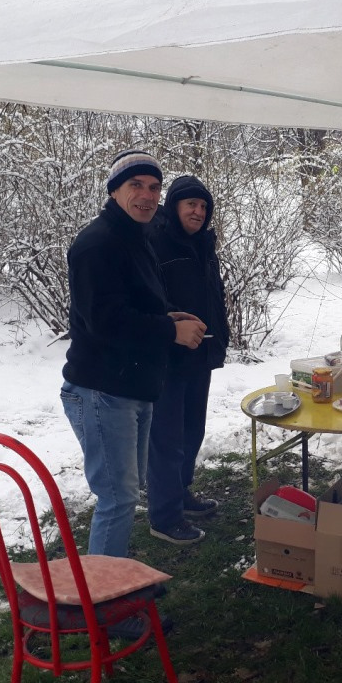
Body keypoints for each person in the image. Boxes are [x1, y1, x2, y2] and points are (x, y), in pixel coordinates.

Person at [61, 150, 208, 561]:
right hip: (100, 389)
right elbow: (104, 320)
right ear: (114, 190)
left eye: (154, 187)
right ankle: (103, 602)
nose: (147, 195)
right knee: (117, 498)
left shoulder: (135, 237)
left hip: (133, 387)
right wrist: (169, 330)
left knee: (125, 492)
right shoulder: (97, 244)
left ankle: (116, 582)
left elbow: (131, 304)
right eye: (135, 186)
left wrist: (167, 316)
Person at [146, 175, 230, 545]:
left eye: (203, 206)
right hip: (167, 356)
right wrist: (171, 325)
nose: (198, 211)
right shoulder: (155, 241)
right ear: (175, 206)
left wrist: (220, 337)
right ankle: (164, 516)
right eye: (190, 204)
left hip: (200, 352)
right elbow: (148, 299)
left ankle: (181, 494)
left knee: (192, 430)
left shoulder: (203, 244)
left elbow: (214, 295)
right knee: (167, 437)